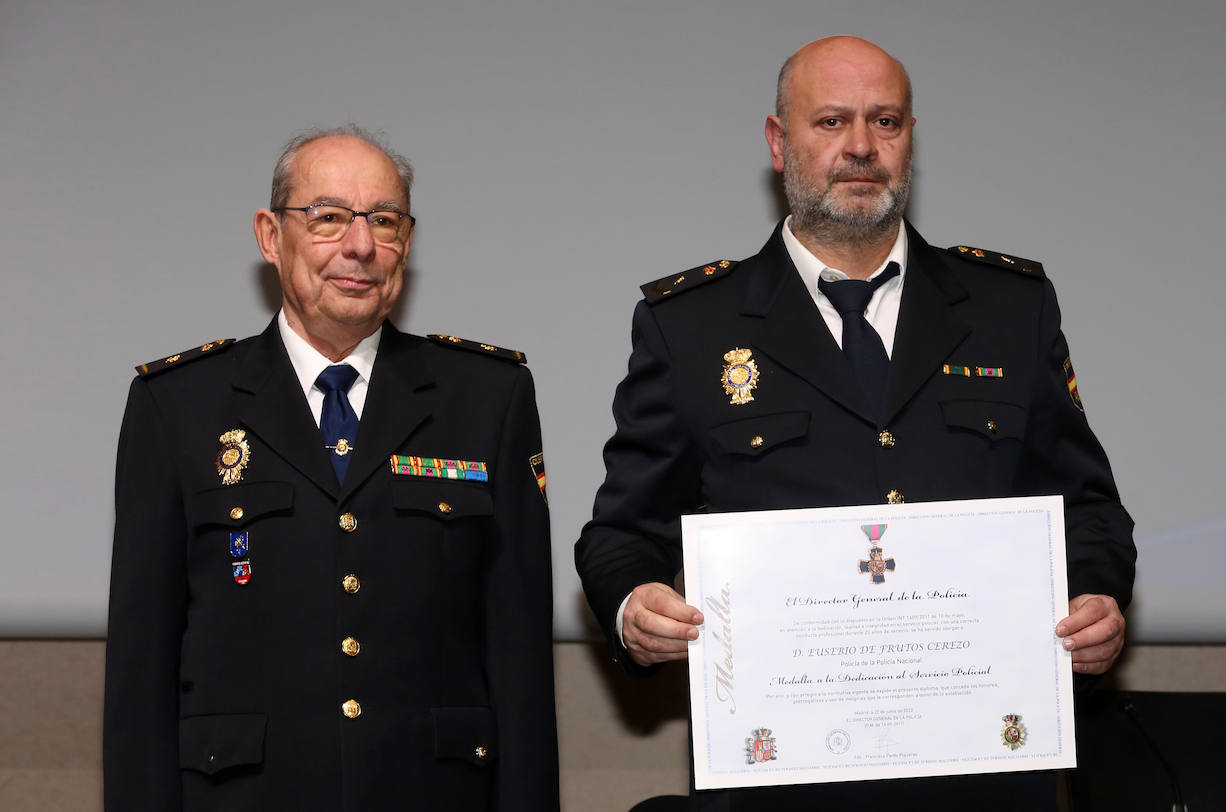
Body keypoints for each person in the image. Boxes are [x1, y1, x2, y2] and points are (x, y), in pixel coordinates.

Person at [575, 36, 1135, 810]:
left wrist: (1100, 595)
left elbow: (1090, 511)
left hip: (986, 781)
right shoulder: (692, 327)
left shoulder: (1009, 309)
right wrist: (635, 606)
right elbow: (618, 536)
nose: (862, 148)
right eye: (832, 122)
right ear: (780, 143)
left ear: (911, 140)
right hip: (782, 786)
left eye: (887, 122)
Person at [103, 126, 558, 811]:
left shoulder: (486, 399)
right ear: (269, 235)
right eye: (328, 218)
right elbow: (140, 670)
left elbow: (521, 660)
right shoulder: (178, 407)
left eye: (384, 220)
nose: (360, 246)